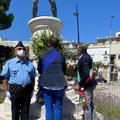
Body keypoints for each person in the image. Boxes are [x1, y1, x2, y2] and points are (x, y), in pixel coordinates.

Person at [1, 41, 37, 120]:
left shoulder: (30, 64)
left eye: (23, 49)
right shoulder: (9, 63)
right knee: (15, 111)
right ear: (15, 51)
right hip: (15, 89)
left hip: (27, 89)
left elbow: (33, 77)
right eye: (19, 49)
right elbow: (5, 78)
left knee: (25, 111)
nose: (22, 50)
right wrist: (6, 91)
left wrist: (32, 90)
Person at [38, 37, 68, 120]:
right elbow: (64, 71)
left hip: (47, 84)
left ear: (48, 44)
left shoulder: (42, 55)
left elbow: (40, 70)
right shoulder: (61, 56)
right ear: (58, 46)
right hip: (59, 85)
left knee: (48, 109)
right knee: (58, 109)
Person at [74, 44, 98, 120]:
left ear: (79, 50)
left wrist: (79, 84)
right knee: (90, 104)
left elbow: (86, 73)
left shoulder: (84, 58)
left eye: (76, 49)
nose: (76, 50)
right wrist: (74, 68)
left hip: (86, 85)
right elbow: (82, 68)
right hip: (88, 85)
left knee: (86, 106)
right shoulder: (85, 57)